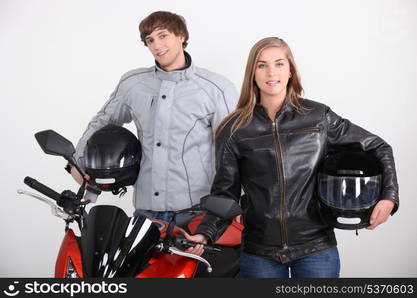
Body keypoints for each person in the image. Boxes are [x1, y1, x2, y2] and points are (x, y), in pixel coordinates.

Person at [184, 37, 399, 278]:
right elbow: (225, 193)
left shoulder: (318, 118)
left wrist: (388, 198)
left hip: (316, 248)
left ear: (290, 71)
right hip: (259, 252)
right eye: (262, 65)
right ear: (252, 73)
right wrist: (206, 233)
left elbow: (378, 146)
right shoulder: (234, 129)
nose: (271, 72)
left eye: (279, 64)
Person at [69, 11, 238, 226]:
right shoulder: (133, 83)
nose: (157, 45)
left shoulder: (216, 89)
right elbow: (103, 121)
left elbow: (232, 151)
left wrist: (232, 204)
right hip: (146, 211)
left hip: (197, 212)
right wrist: (79, 161)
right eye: (150, 40)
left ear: (181, 36)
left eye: (163, 35)